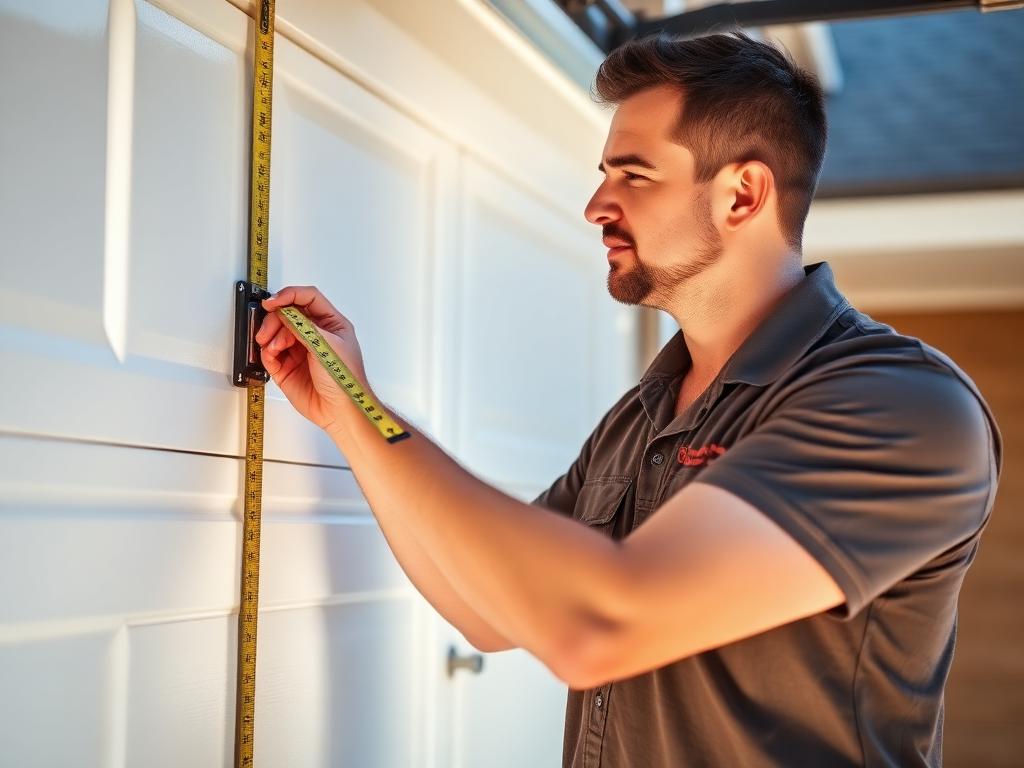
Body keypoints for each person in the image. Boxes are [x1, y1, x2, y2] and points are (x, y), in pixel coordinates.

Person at [254, 29, 1002, 768]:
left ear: (743, 194)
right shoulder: (641, 415)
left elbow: (599, 628)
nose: (595, 206)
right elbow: (482, 610)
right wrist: (348, 416)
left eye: (634, 175)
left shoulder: (902, 405)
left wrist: (372, 419)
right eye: (604, 174)